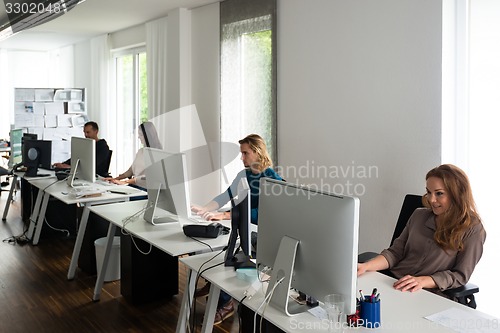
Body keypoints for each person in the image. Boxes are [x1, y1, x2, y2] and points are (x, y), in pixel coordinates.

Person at [191, 134, 282, 325]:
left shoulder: (271, 178)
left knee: (235, 259)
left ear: (257, 152)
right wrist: (206, 208)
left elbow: (265, 212)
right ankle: (216, 288)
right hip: (249, 229)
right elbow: (228, 194)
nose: (242, 158)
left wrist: (225, 215)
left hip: (268, 234)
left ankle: (226, 302)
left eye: (245, 153)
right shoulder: (245, 174)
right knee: (227, 252)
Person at [357, 164, 486, 297]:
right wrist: (366, 266)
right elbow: (395, 253)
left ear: (457, 194)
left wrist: (423, 281)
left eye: (439, 193)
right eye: (429, 192)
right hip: (393, 282)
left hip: (428, 292)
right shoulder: (419, 215)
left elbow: (460, 275)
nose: (431, 199)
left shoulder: (473, 229)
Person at [104, 121, 162, 189]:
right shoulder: (141, 151)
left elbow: (147, 177)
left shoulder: (157, 154)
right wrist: (116, 179)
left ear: (148, 135)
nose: (138, 137)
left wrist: (126, 182)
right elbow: (130, 171)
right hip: (135, 186)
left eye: (141, 134)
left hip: (146, 190)